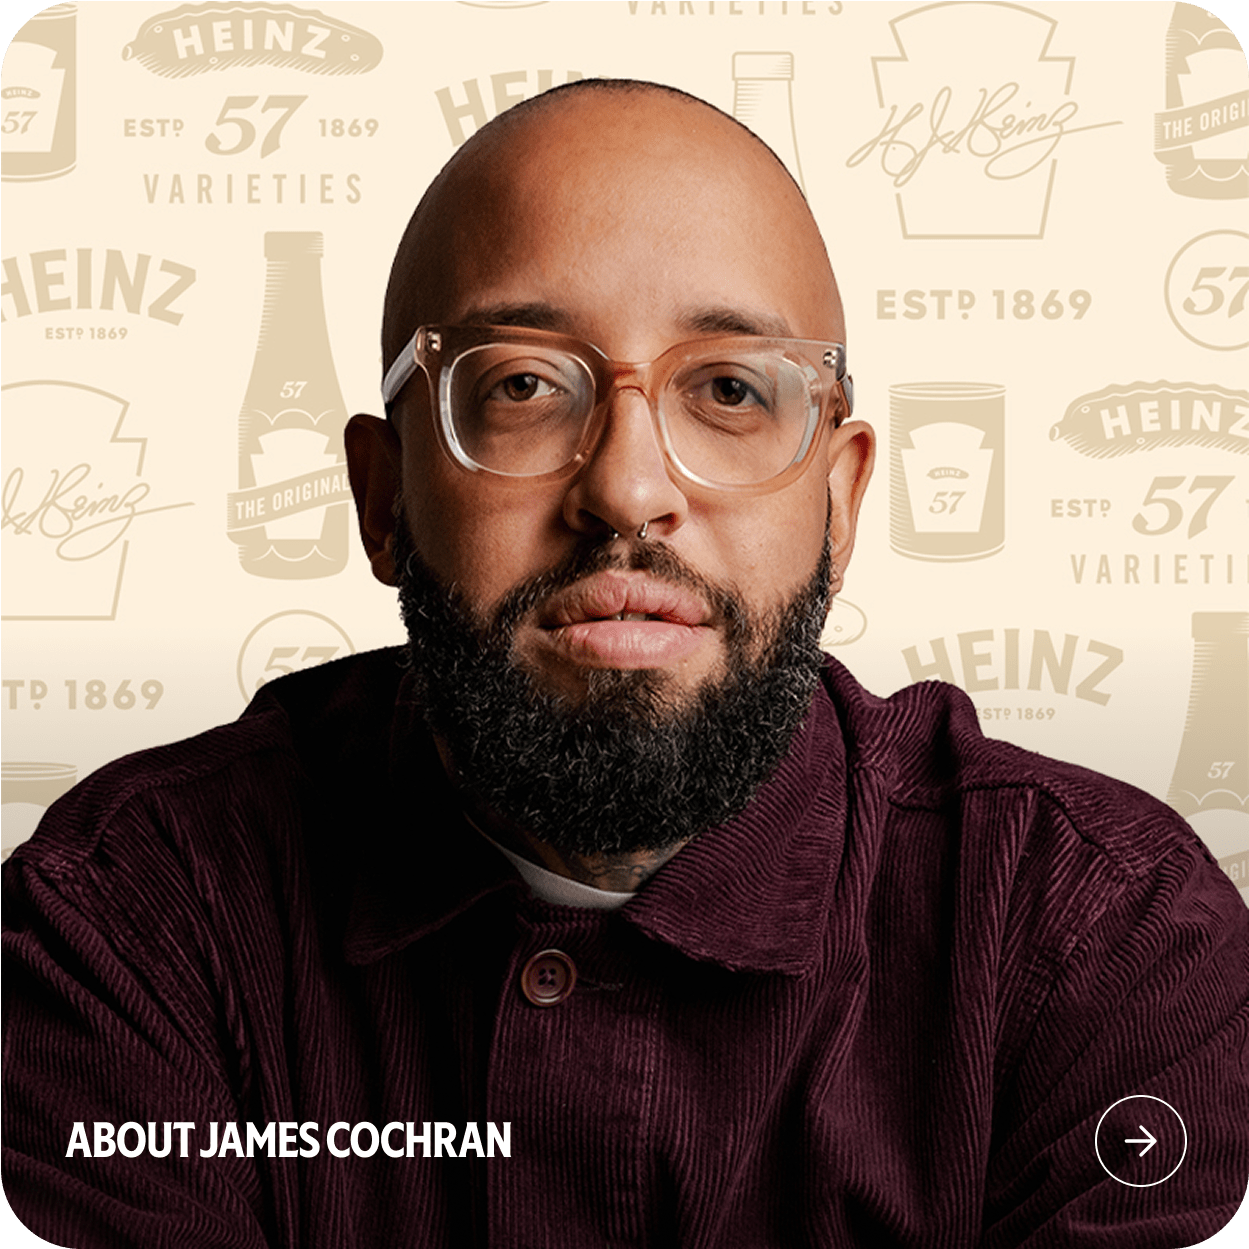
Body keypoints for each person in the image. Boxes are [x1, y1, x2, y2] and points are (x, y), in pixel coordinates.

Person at [3, 80, 1247, 1249]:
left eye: (728, 391)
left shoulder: (1110, 943)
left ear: (841, 500)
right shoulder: (121, 929)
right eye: (526, 384)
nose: (628, 488)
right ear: (382, 498)